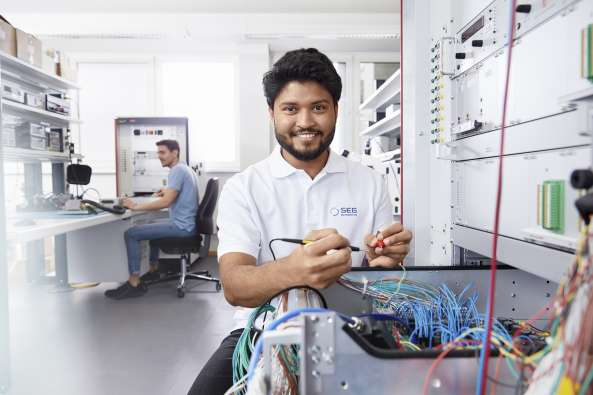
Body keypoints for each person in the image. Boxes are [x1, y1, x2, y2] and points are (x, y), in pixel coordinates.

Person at [188, 48, 412, 394]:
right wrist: (295, 270)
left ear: (336, 110)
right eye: (290, 109)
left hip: (353, 328)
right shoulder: (245, 188)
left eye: (318, 107)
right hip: (264, 329)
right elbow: (234, 285)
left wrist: (385, 261)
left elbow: (380, 274)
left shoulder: (368, 182)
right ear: (272, 113)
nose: (305, 122)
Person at [105, 139, 199, 300]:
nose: (159, 157)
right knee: (150, 225)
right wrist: (167, 190)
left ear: (174, 152)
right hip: (187, 224)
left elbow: (166, 202)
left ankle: (134, 282)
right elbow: (174, 194)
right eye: (158, 153)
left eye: (163, 152)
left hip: (181, 227)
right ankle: (153, 271)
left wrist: (135, 206)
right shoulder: (185, 169)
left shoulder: (177, 171)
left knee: (132, 234)